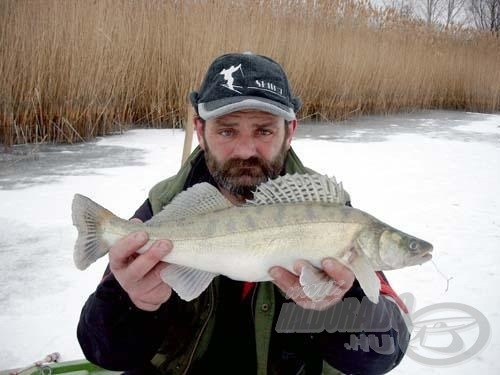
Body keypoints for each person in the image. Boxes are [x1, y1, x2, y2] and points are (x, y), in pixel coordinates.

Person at [77, 52, 410, 374]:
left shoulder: (328, 214)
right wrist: (130, 301)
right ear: (200, 131)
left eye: (264, 131)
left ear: (289, 131)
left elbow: (385, 351)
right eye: (227, 130)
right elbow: (104, 352)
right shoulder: (164, 209)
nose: (246, 150)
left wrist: (339, 304)